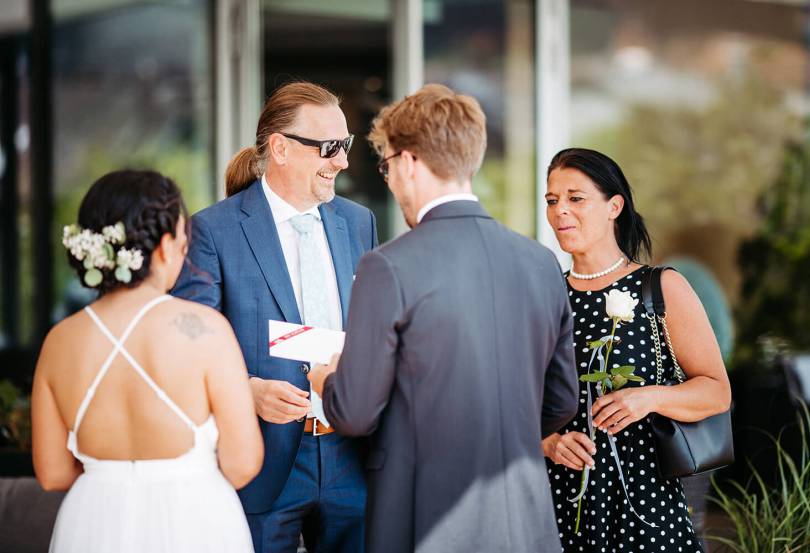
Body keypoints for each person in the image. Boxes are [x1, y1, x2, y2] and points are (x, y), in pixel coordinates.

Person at [307, 83, 579, 553]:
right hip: (525, 516)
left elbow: (353, 412)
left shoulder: (389, 265)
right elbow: (561, 400)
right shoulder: (539, 262)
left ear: (409, 162)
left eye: (386, 165)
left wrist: (328, 379)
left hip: (424, 516)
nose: (389, 181)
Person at [173, 81, 377, 553]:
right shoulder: (213, 230)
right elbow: (188, 349)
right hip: (262, 458)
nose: (343, 162)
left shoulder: (359, 223)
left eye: (344, 145)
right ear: (281, 149)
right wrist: (244, 391)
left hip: (352, 456)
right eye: (329, 148)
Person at [32, 170, 263, 553]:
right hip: (193, 519)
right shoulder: (205, 329)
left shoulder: (60, 341)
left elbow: (53, 472)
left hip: (93, 523)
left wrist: (115, 477)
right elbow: (244, 462)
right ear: (164, 245)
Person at [542, 148, 732, 552]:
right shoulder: (545, 296)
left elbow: (717, 391)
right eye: (552, 200)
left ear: (614, 206)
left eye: (576, 198)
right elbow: (515, 403)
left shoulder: (660, 288)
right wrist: (548, 442)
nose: (561, 211)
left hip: (646, 506)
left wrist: (649, 398)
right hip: (560, 504)